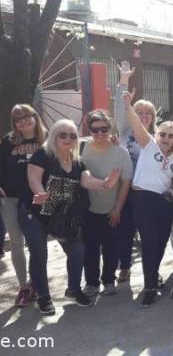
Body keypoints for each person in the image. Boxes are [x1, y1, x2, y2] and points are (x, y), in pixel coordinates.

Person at [21, 119, 120, 314]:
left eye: (72, 135)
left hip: (62, 217)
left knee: (77, 250)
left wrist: (106, 184)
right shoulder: (43, 155)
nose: (68, 138)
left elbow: (87, 180)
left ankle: (73, 290)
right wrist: (40, 193)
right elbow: (33, 178)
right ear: (54, 137)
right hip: (36, 214)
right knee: (39, 254)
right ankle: (43, 296)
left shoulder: (77, 163)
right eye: (63, 135)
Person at [122, 89, 173, 307]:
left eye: (171, 135)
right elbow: (136, 124)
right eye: (163, 134)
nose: (166, 138)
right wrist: (128, 104)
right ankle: (149, 286)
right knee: (149, 242)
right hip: (142, 199)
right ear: (157, 135)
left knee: (159, 244)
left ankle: (154, 277)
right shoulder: (148, 145)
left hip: (164, 203)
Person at [80, 110, 133, 296]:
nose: (100, 134)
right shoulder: (81, 148)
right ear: (90, 129)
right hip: (88, 208)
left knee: (111, 247)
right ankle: (91, 283)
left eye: (104, 129)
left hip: (112, 207)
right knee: (90, 248)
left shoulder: (121, 152)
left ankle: (109, 280)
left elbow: (126, 181)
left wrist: (118, 208)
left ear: (110, 129)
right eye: (95, 130)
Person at [0, 104, 46, 307]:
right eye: (18, 119)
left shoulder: (46, 139)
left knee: (37, 243)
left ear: (35, 117)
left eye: (27, 117)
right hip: (10, 198)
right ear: (14, 124)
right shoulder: (8, 141)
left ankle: (36, 282)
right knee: (16, 243)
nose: (24, 122)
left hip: (37, 199)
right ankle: (23, 287)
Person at [114, 62, 156, 283]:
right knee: (125, 229)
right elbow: (120, 108)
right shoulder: (124, 131)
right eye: (139, 111)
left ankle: (152, 270)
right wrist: (123, 80)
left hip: (148, 192)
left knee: (149, 233)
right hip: (125, 189)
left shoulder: (158, 137)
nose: (144, 115)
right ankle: (125, 266)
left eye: (148, 113)